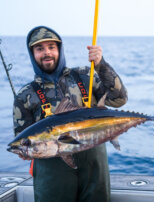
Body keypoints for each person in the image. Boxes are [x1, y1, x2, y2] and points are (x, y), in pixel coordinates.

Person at [13, 26, 128, 202]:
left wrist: (101, 65)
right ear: (32, 54)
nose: (47, 53)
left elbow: (120, 99)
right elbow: (21, 139)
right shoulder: (25, 95)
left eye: (51, 46)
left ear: (59, 49)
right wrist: (24, 151)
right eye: (39, 48)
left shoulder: (84, 75)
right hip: (52, 176)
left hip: (93, 170)